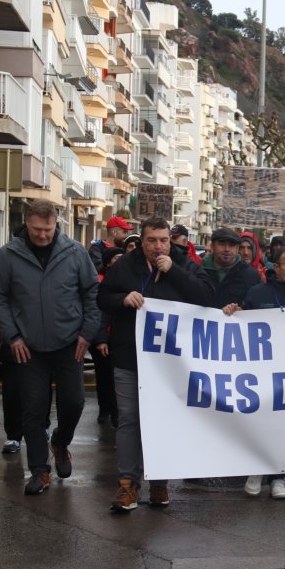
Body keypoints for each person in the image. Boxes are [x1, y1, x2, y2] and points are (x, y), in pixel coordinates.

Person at [0, 199, 100, 496]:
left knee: (74, 403)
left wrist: (87, 332)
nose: (43, 236)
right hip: (28, 348)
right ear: (27, 223)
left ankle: (60, 443)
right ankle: (39, 470)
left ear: (56, 224)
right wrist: (12, 336)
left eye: (48, 230)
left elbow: (91, 293)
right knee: (33, 410)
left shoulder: (74, 252)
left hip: (69, 345)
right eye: (37, 229)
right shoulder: (9, 255)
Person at [99, 217, 212, 513]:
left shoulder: (184, 264)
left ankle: (159, 482)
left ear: (170, 240)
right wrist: (123, 298)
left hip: (168, 363)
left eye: (163, 240)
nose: (158, 246)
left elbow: (205, 297)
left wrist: (174, 272)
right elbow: (102, 298)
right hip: (128, 357)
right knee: (128, 419)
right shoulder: (124, 266)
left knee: (160, 420)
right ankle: (127, 484)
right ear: (142, 240)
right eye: (151, 240)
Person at [225, 245, 285, 500]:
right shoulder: (257, 292)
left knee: (284, 423)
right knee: (261, 421)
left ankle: (278, 477)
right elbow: (243, 323)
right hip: (262, 369)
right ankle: (256, 469)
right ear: (276, 268)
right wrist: (235, 313)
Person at [92, 247, 125, 426]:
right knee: (104, 378)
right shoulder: (101, 282)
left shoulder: (126, 278)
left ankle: (115, 414)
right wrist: (101, 338)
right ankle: (105, 410)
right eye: (116, 258)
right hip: (104, 338)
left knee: (117, 381)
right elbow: (101, 311)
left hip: (120, 339)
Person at [203, 228, 261, 309]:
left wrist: (241, 311)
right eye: (222, 244)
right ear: (212, 246)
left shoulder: (251, 276)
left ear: (237, 249)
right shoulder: (198, 271)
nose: (227, 249)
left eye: (232, 245)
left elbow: (256, 308)